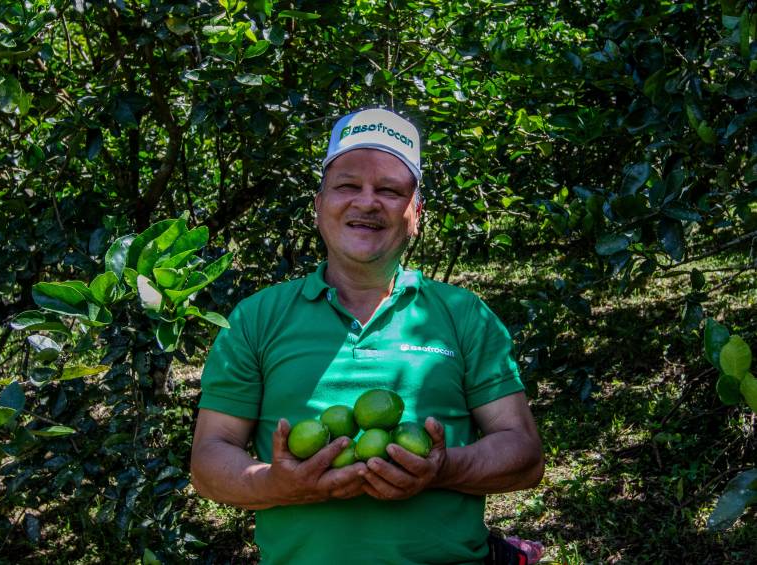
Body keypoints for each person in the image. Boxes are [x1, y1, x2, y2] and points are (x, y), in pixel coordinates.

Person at [190, 108, 544, 564]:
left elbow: (525, 456)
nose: (367, 202)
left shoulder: (464, 315)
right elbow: (207, 461)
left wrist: (441, 468)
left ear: (416, 213)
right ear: (318, 205)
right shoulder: (256, 319)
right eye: (347, 186)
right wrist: (276, 484)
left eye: (390, 190)